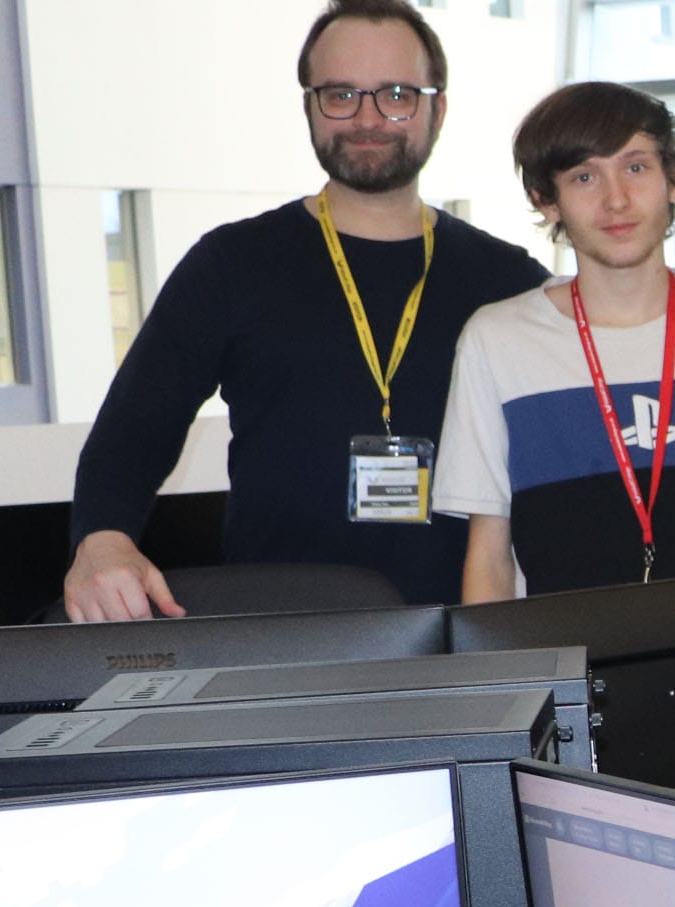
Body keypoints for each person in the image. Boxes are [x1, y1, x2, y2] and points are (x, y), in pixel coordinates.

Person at [64, 0, 547, 620]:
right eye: (340, 94)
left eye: (396, 94)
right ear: (309, 108)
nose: (367, 118)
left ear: (437, 107)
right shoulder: (231, 263)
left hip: (463, 637)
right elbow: (136, 426)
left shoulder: (509, 280)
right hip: (278, 638)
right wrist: (102, 539)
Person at [433, 82, 675, 599]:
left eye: (636, 167)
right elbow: (489, 557)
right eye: (584, 176)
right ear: (545, 200)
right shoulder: (497, 341)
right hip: (566, 664)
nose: (615, 199)